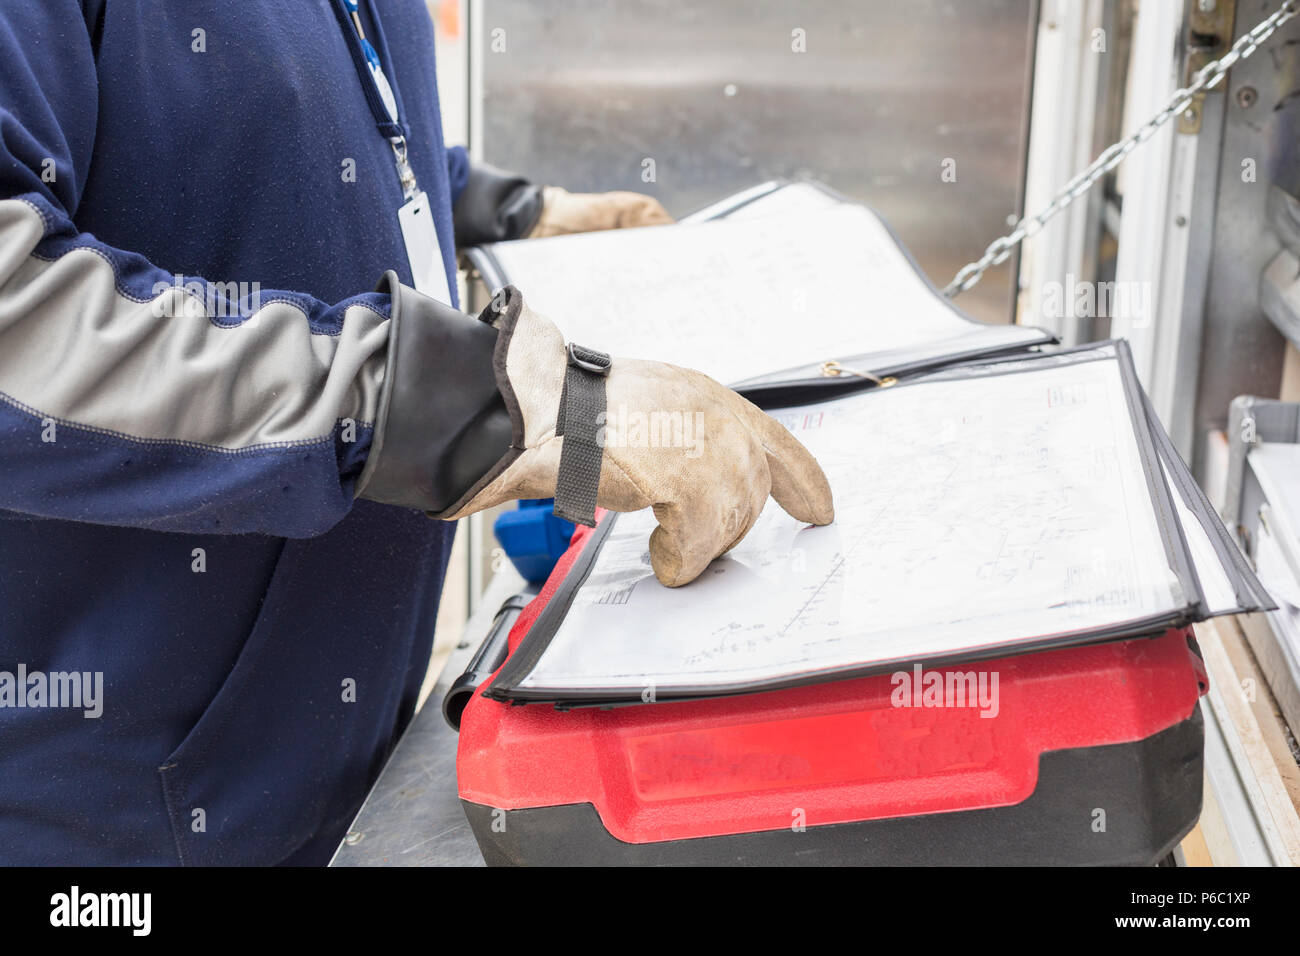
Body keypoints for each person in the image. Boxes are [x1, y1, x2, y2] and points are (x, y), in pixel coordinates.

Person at [0, 0, 832, 865]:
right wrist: (450, 406)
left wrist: (507, 211)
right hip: (119, 809)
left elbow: (312, 113)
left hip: (342, 731)